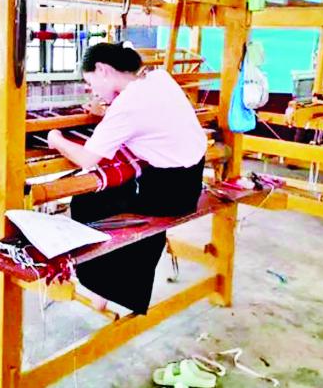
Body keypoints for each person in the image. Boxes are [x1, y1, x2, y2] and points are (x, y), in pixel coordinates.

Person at [47, 42, 207, 315]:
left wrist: (56, 139)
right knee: (119, 195)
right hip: (191, 182)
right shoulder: (159, 78)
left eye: (91, 83)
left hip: (168, 194)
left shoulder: (126, 105)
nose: (93, 91)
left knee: (87, 203)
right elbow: (149, 116)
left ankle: (101, 286)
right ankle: (117, 290)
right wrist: (104, 114)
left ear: (103, 70)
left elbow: (87, 159)